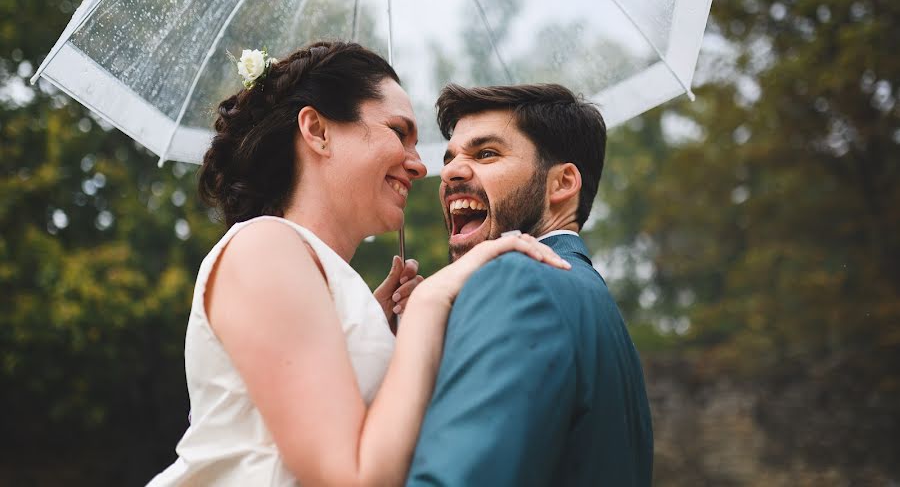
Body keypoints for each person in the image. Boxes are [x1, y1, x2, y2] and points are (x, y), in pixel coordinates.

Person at [146, 42, 570, 487]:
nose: (421, 166)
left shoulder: (319, 273)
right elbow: (353, 478)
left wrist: (376, 333)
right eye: (398, 132)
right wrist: (430, 302)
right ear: (317, 130)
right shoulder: (264, 246)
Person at [406, 83, 654, 486]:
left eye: (486, 153)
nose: (449, 170)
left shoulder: (521, 283)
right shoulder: (592, 299)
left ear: (562, 184)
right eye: (449, 157)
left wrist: (426, 302)